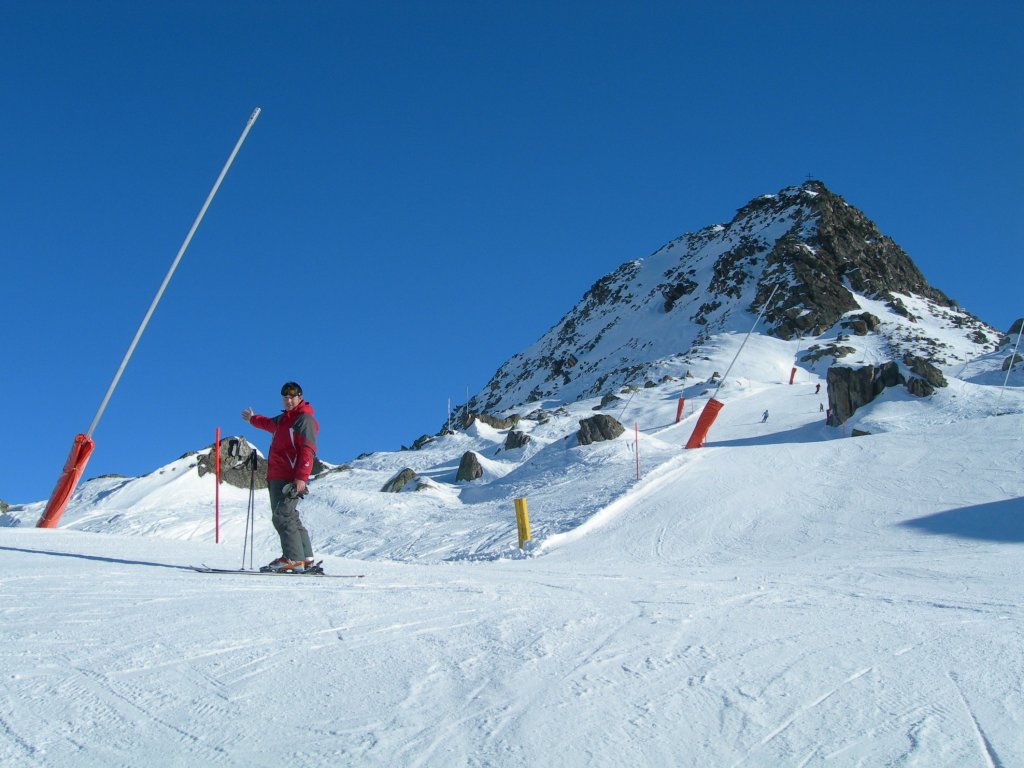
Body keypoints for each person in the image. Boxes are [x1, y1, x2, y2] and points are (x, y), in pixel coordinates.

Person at [242, 381, 319, 573]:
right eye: (285, 398)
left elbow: (307, 449)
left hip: (289, 477)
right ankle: (305, 558)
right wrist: (253, 419)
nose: (288, 400)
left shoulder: (303, 420)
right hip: (277, 475)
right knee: (290, 515)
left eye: (292, 397)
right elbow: (268, 424)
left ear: (300, 397)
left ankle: (292, 558)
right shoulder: (285, 420)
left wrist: (301, 477)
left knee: (282, 515)